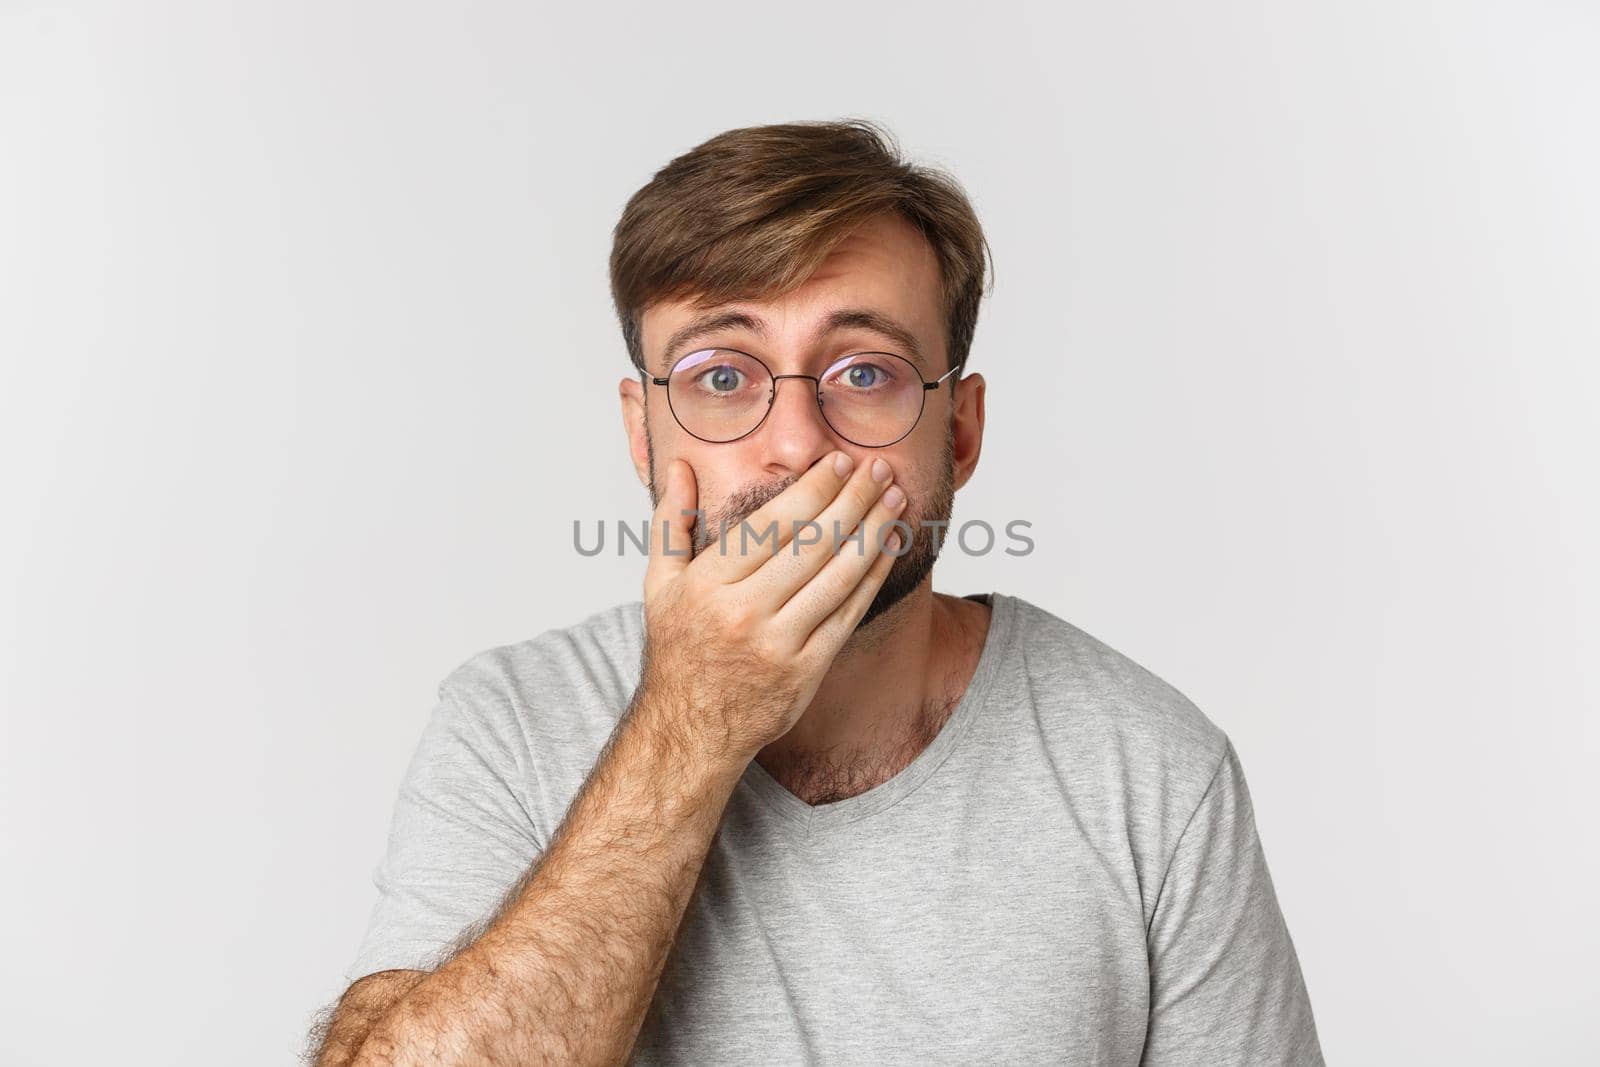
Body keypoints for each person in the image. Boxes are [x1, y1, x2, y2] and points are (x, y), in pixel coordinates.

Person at [307, 118, 1323, 1066]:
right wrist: (694, 719)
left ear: (958, 433)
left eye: (865, 373)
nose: (795, 442)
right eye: (720, 375)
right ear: (641, 432)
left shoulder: (1148, 769)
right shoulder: (512, 721)